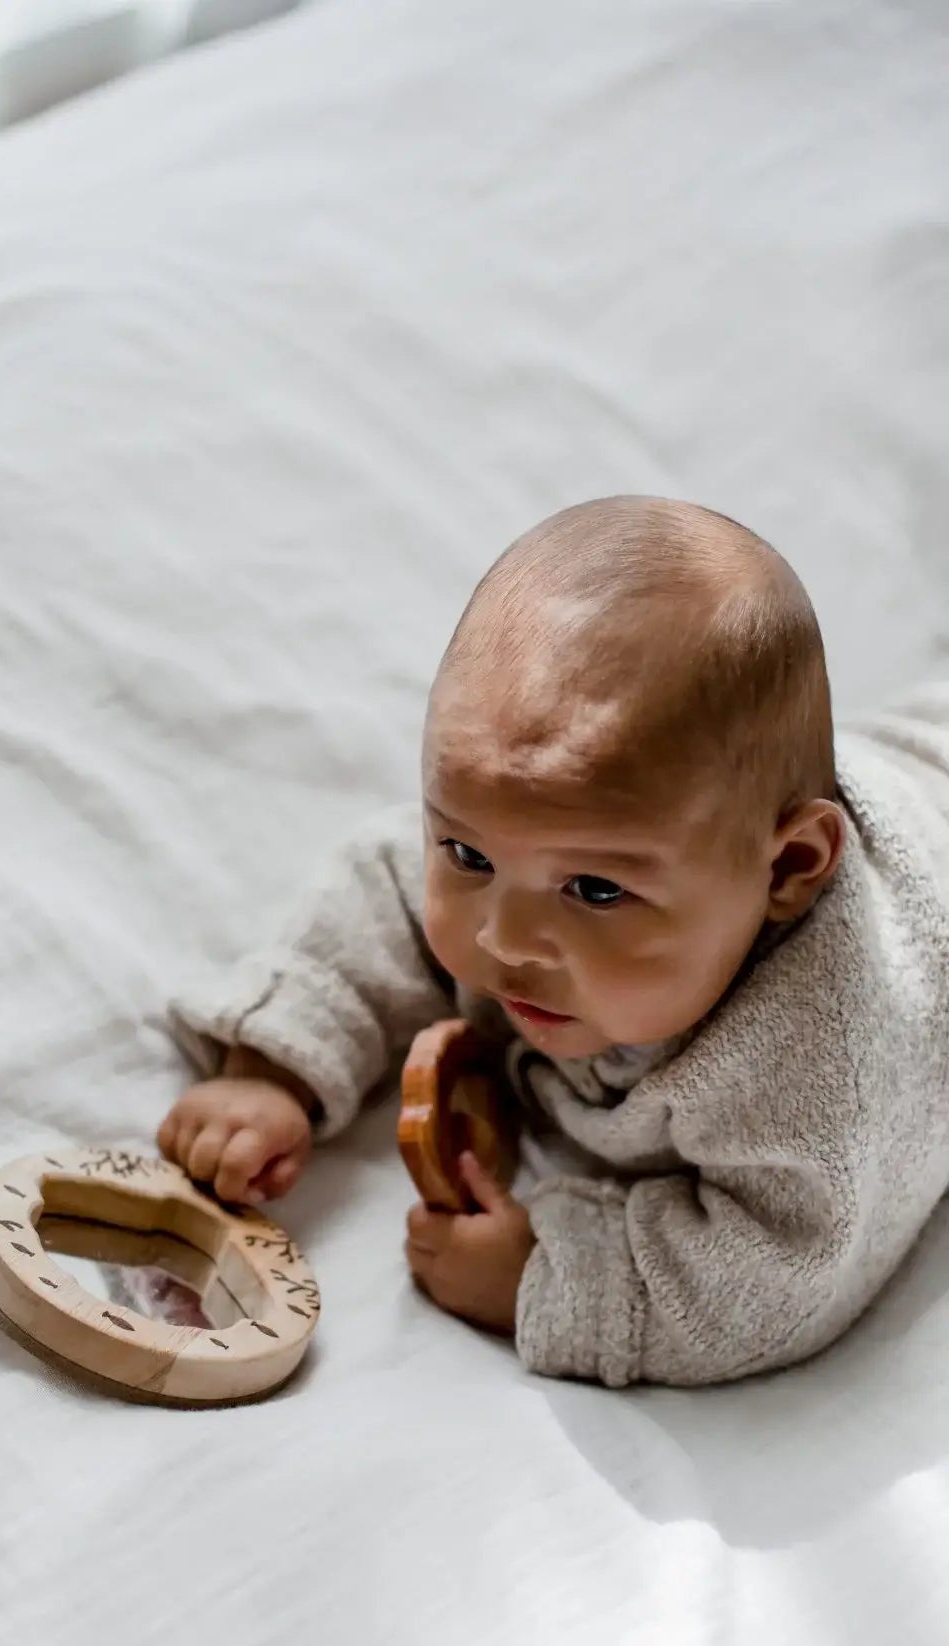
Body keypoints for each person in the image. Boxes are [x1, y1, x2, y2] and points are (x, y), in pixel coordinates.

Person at [159, 496, 949, 1386]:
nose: (506, 937)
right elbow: (381, 892)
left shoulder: (816, 1061)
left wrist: (552, 1274)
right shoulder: (553, 851)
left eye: (597, 889)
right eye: (464, 852)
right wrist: (279, 1071)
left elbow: (783, 1274)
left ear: (787, 870)